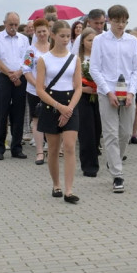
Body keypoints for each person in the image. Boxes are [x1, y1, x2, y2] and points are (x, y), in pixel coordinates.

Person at [90, 5, 137, 193]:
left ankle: (114, 160)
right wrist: (107, 91)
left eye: (124, 21)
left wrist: (131, 92)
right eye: (117, 21)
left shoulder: (132, 41)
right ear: (109, 21)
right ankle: (117, 175)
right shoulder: (100, 40)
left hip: (127, 91)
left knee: (126, 132)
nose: (121, 25)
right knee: (110, 133)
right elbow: (94, 68)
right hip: (108, 92)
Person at [36, 20, 82, 203]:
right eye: (61, 36)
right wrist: (59, 107)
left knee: (70, 146)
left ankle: (69, 190)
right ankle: (56, 184)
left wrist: (69, 108)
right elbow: (40, 89)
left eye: (68, 36)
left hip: (70, 102)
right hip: (51, 103)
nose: (65, 39)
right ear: (53, 35)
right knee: (53, 149)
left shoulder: (74, 58)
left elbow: (78, 87)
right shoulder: (44, 59)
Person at [0, 12, 29, 160]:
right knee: (1, 113)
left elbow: (28, 59)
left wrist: (19, 73)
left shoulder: (24, 39)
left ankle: (17, 148)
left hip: (20, 78)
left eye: (16, 24)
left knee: (18, 113)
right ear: (4, 23)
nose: (13, 27)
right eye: (10, 24)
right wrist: (10, 74)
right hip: (4, 78)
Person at [21, 18, 51, 163]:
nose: (42, 34)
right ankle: (39, 152)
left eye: (44, 31)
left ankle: (52, 148)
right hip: (34, 91)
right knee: (37, 120)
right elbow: (26, 70)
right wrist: (37, 85)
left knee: (53, 119)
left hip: (52, 91)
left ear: (48, 31)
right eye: (39, 32)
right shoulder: (30, 50)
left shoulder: (53, 47)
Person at [76, 30, 100, 177]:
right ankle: (89, 166)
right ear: (83, 42)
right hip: (83, 96)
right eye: (90, 40)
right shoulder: (77, 58)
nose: (92, 43)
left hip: (99, 96)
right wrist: (84, 88)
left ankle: (96, 154)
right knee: (86, 131)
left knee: (98, 129)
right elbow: (73, 79)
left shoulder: (100, 57)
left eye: (95, 40)